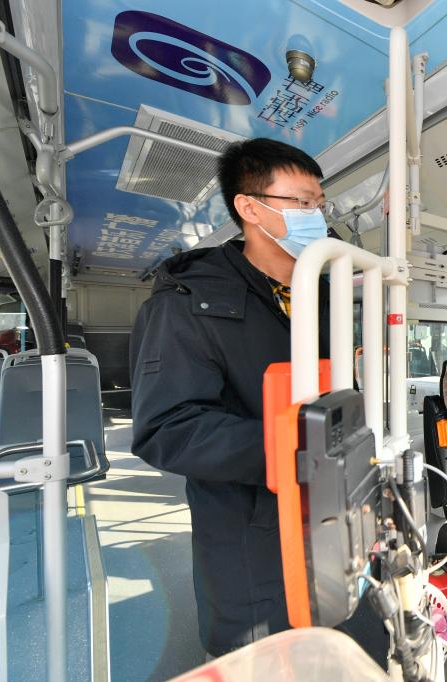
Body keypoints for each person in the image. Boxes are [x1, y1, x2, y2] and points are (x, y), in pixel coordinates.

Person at [130, 138, 383, 661]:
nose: (317, 216)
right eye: (302, 202)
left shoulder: (324, 295)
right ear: (250, 208)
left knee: (349, 645)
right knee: (269, 657)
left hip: (334, 511)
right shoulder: (189, 302)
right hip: (249, 530)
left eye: (320, 203)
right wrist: (301, 450)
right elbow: (168, 428)